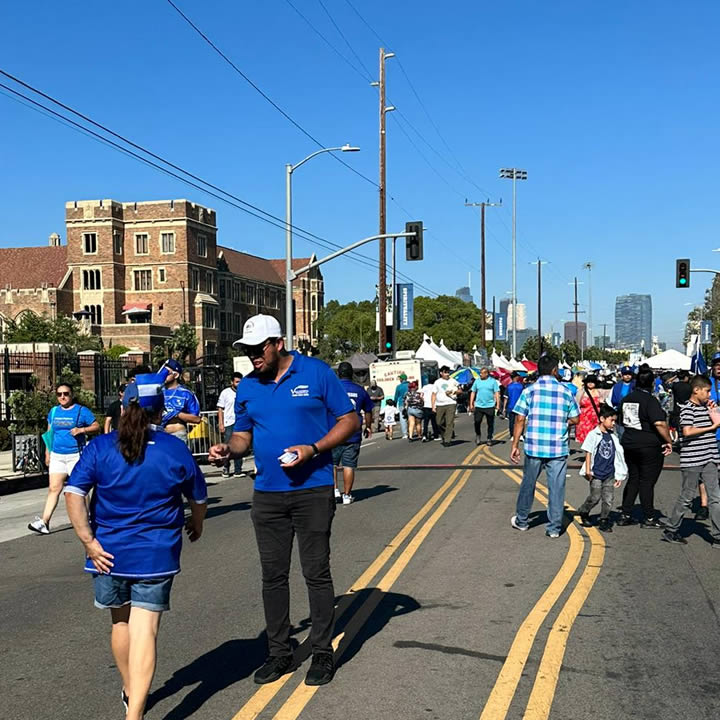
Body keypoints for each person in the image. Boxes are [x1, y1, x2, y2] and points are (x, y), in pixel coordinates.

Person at [208, 314, 358, 687]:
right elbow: (243, 436)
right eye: (246, 351)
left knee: (316, 573)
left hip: (313, 489)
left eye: (258, 349)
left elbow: (350, 420)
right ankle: (280, 654)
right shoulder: (247, 387)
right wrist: (230, 449)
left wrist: (314, 448)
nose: (252, 357)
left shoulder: (317, 373)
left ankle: (322, 652)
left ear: (277, 343)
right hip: (268, 495)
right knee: (273, 577)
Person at [63, 376, 207, 720]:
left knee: (121, 624)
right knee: (146, 629)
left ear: (125, 406)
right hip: (156, 552)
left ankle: (130, 690)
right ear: (160, 411)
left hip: (108, 551)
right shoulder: (174, 448)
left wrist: (89, 541)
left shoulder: (100, 447)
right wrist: (197, 523)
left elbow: (73, 493)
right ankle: (136, 711)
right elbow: (198, 498)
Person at [510, 355, 580, 538]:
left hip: (534, 446)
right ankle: (554, 528)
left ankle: (522, 519)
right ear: (555, 370)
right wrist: (561, 421)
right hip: (557, 447)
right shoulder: (565, 392)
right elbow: (576, 418)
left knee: (528, 483)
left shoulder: (529, 391)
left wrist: (515, 444)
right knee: (556, 487)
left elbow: (519, 418)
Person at [28, 383, 100, 535]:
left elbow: (96, 426)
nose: (62, 397)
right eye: (59, 394)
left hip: (76, 455)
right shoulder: (53, 412)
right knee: (54, 488)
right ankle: (44, 521)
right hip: (58, 456)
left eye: (66, 394)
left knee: (80, 488)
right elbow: (50, 433)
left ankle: (87, 518)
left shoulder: (81, 411)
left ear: (71, 395)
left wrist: (82, 430)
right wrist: (48, 453)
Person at [662, 375, 720, 546]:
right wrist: (711, 427)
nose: (709, 395)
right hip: (693, 459)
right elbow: (687, 431)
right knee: (687, 496)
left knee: (715, 497)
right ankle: (671, 529)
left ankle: (717, 535)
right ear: (696, 390)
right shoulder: (687, 409)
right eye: (707, 391)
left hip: (709, 456)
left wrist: (714, 410)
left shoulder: (706, 407)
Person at [616, 368, 673, 527]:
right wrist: (668, 440)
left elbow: (620, 420)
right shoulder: (650, 400)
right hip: (648, 443)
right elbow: (659, 423)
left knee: (634, 477)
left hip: (629, 441)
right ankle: (649, 516)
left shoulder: (627, 399)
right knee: (647, 481)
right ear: (652, 383)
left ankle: (625, 513)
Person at [577, 404, 628, 532]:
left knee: (608, 499)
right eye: (611, 420)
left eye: (615, 420)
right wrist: (588, 471)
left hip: (609, 473)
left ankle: (604, 519)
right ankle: (584, 511)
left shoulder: (613, 436)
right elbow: (588, 453)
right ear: (602, 419)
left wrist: (619, 475)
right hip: (596, 473)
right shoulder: (593, 434)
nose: (613, 423)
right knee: (595, 497)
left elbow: (618, 456)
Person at [333, 362, 373, 504]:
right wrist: (368, 426)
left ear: (338, 373)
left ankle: (335, 490)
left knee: (332, 464)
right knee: (348, 465)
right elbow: (368, 410)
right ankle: (347, 495)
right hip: (353, 432)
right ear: (352, 374)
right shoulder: (360, 390)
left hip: (334, 431)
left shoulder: (332, 388)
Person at [161, 359, 201, 443]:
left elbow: (196, 419)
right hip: (160, 434)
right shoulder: (158, 392)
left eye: (167, 373)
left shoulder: (186, 394)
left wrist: (177, 414)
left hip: (177, 434)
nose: (163, 375)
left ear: (176, 375)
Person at [217, 372, 245, 477]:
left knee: (239, 446)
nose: (239, 384)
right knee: (228, 447)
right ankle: (226, 468)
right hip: (229, 423)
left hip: (240, 422)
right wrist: (221, 423)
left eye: (240, 382)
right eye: (237, 382)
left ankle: (238, 470)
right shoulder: (225, 393)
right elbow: (220, 409)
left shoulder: (244, 392)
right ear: (232, 382)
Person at [469, 367, 500, 445]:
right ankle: (478, 435)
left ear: (486, 374)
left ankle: (489, 438)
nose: (480, 374)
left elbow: (497, 393)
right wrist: (471, 403)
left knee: (490, 423)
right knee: (477, 421)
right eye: (480, 373)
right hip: (479, 405)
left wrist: (498, 404)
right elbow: (473, 392)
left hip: (490, 405)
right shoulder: (477, 381)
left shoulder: (493, 381)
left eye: (482, 373)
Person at [575, 375, 609, 445]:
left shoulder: (600, 392)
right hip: (583, 420)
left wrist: (603, 401)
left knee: (596, 438)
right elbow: (576, 404)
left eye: (592, 382)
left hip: (596, 419)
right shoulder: (581, 392)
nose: (590, 383)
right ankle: (588, 454)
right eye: (588, 382)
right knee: (586, 440)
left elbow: (610, 393)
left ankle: (593, 454)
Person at [433, 366, 459, 447]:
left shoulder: (453, 381)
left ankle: (447, 440)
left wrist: (453, 392)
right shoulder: (437, 382)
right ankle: (445, 434)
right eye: (445, 372)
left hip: (451, 403)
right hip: (440, 404)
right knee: (439, 422)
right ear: (441, 373)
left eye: (448, 372)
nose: (447, 374)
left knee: (449, 422)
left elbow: (460, 390)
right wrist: (433, 405)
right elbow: (433, 394)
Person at [503, 372, 526, 440]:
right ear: (516, 377)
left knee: (511, 421)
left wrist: (504, 408)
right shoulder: (521, 386)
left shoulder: (509, 386)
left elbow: (506, 398)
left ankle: (512, 435)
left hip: (511, 406)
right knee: (520, 421)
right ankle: (521, 434)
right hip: (520, 406)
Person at [393, 373, 410, 439]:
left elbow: (396, 396)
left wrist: (394, 403)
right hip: (410, 403)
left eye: (400, 378)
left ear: (402, 379)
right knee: (410, 417)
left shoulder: (399, 387)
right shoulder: (409, 385)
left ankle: (405, 434)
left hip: (401, 404)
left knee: (403, 418)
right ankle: (411, 430)